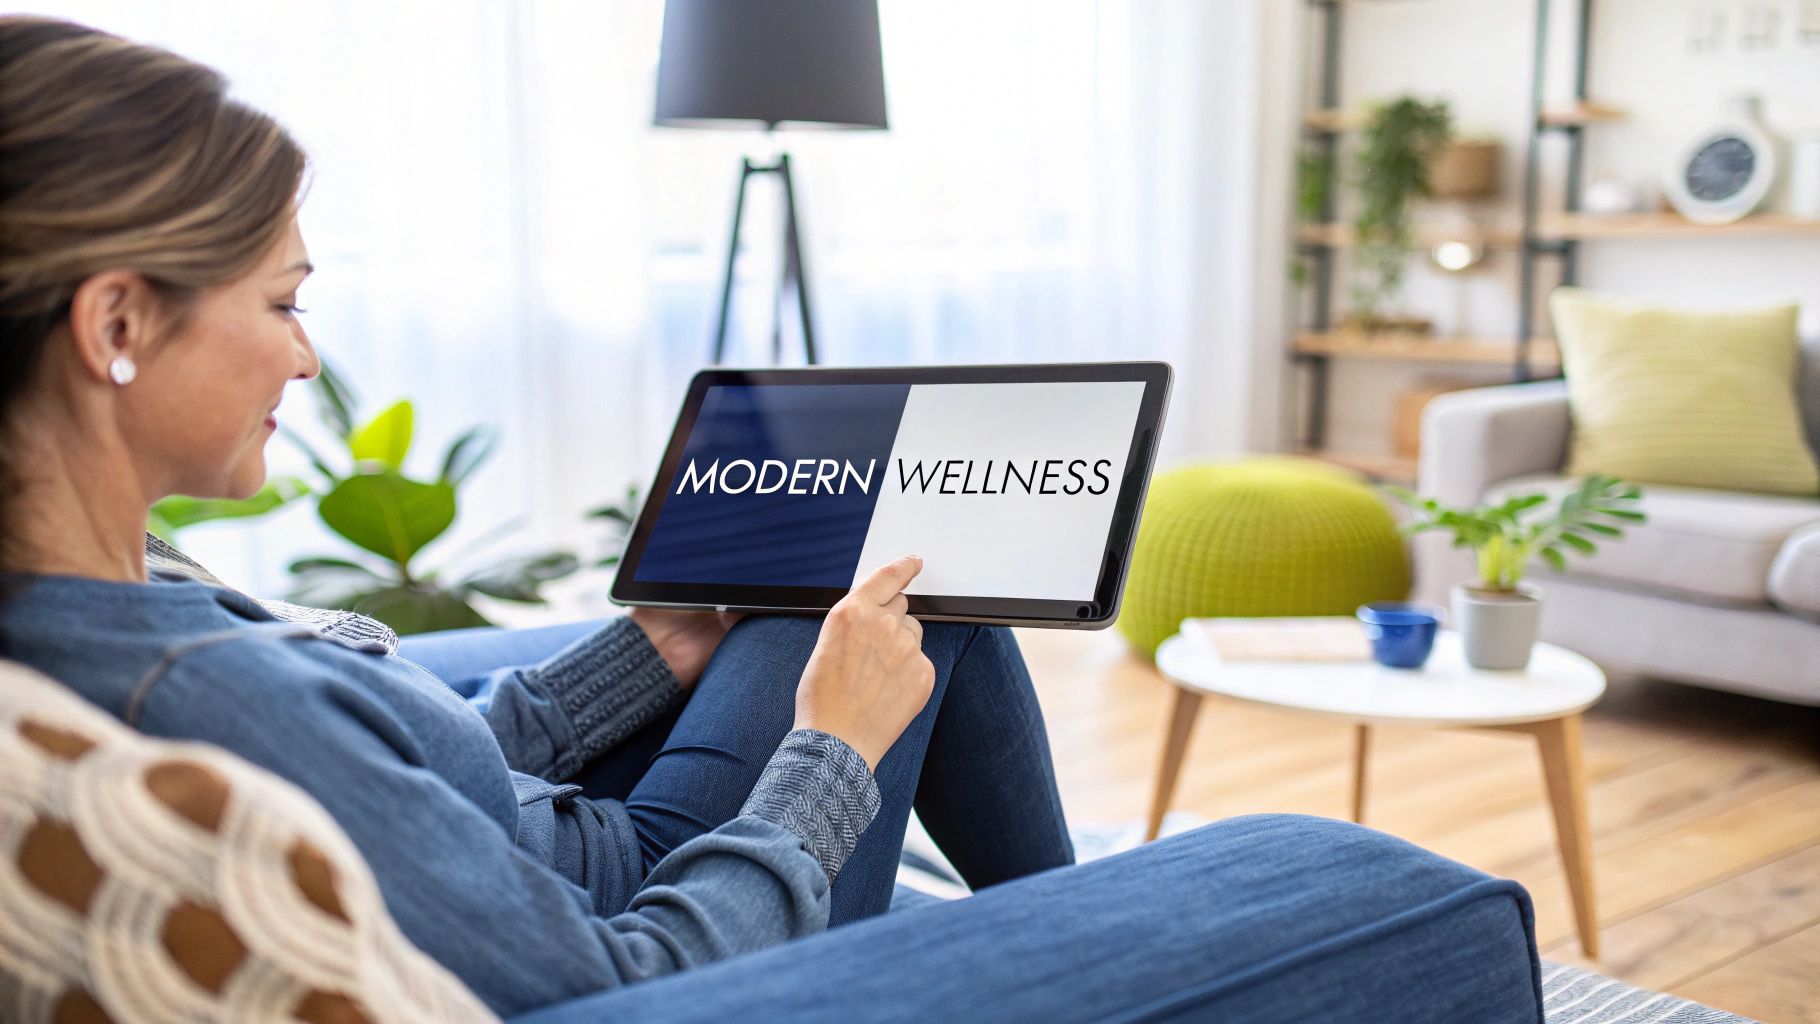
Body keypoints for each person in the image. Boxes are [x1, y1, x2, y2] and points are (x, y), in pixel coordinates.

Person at [0, 16, 1072, 1017]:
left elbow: (400, 777)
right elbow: (628, 986)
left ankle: (1064, 927)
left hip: (574, 843)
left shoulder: (116, 580)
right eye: (282, 303)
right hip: (658, 912)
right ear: (118, 321)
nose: (304, 354)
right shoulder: (199, 698)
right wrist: (832, 753)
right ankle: (1090, 943)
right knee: (926, 596)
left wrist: (647, 652)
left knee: (865, 569)